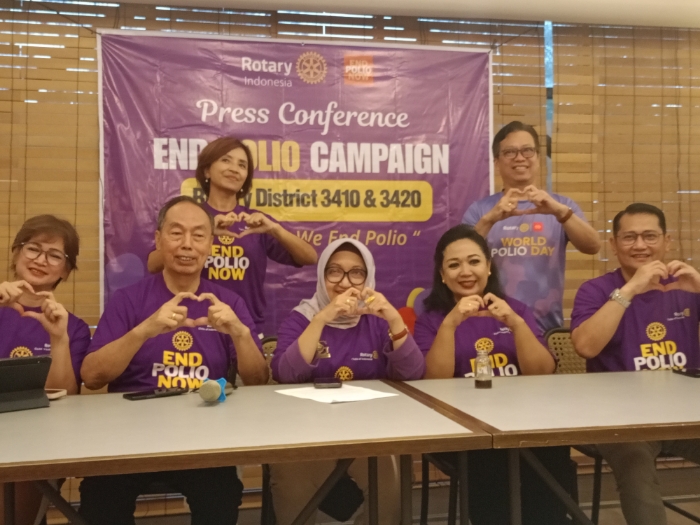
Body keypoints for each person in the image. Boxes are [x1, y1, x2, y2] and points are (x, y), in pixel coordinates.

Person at [79, 196, 268, 525]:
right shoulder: (128, 300)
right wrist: (144, 330)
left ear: (210, 245)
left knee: (222, 495)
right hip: (129, 435)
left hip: (203, 436)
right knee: (100, 499)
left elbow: (258, 380)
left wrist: (239, 332)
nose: (187, 244)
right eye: (176, 233)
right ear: (158, 239)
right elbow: (92, 377)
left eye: (198, 235)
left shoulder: (229, 303)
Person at [414, 225, 571, 525]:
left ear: (488, 266)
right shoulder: (432, 321)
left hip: (522, 422)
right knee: (489, 457)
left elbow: (543, 372)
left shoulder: (515, 310)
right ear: (442, 275)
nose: (465, 271)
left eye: (474, 261)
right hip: (464, 430)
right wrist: (451, 324)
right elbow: (434, 382)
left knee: (552, 448)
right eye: (454, 265)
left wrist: (516, 323)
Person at [269, 238, 425, 525]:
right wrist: (321, 319)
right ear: (322, 276)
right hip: (307, 431)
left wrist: (393, 319)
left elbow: (413, 372)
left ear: (368, 278)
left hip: (369, 431)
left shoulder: (377, 320)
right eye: (334, 272)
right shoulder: (302, 318)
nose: (344, 282)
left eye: (356, 273)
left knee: (392, 486)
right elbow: (285, 374)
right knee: (290, 484)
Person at [571, 203, 700, 525]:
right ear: (614, 245)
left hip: (685, 414)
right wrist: (629, 290)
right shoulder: (595, 290)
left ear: (667, 241)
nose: (640, 245)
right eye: (629, 237)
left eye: (649, 236)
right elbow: (585, 347)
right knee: (635, 463)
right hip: (622, 420)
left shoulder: (686, 285)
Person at [148, 137, 317, 334]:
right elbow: (152, 265)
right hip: (191, 323)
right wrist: (206, 229)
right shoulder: (190, 216)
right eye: (226, 160)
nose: (235, 169)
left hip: (243, 326)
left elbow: (310, 257)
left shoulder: (256, 221)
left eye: (242, 165)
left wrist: (275, 229)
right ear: (207, 170)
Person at [462, 121, 600, 333]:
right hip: (491, 326)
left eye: (527, 150)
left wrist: (560, 212)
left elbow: (593, 246)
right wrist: (490, 219)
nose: (520, 158)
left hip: (546, 329)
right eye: (510, 152)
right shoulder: (480, 210)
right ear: (497, 162)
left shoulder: (561, 206)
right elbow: (460, 257)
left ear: (537, 158)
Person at [0, 214, 90, 525]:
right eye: (33, 248)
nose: (41, 260)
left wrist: (58, 339)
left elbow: (66, 397)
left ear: (66, 270)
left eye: (54, 255)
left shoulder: (73, 327)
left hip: (37, 439)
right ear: (16, 253)